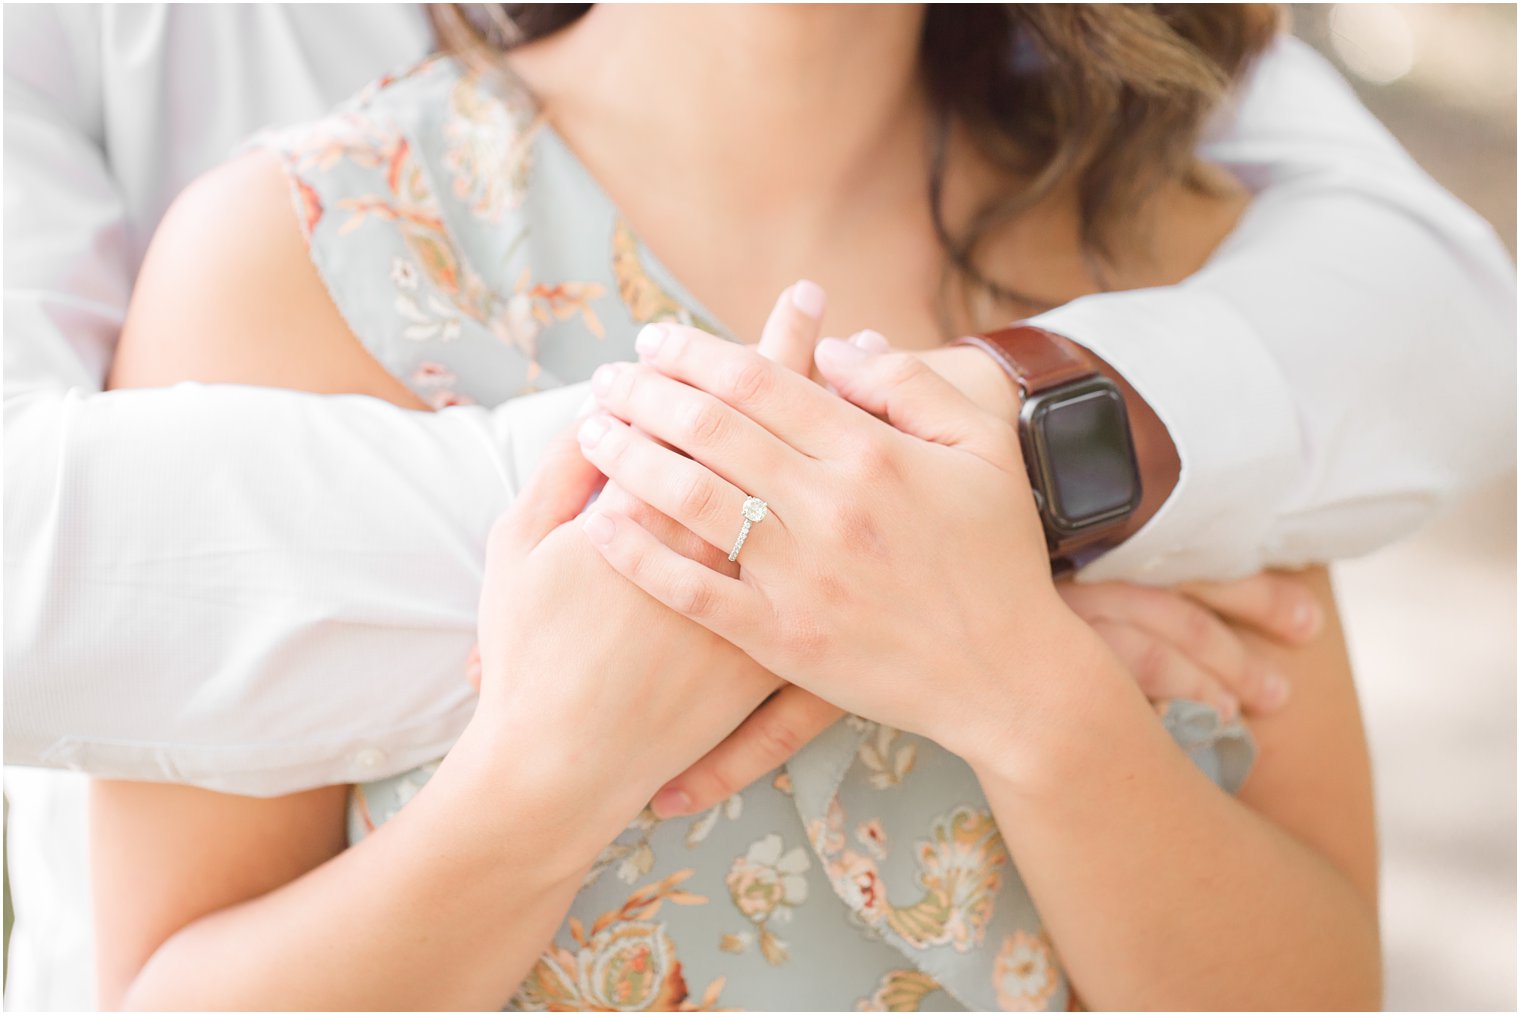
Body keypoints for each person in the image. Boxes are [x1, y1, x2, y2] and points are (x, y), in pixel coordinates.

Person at [2, 1, 1511, 1007]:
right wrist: (547, 774)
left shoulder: (1167, 261)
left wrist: (1028, 695)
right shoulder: (303, 259)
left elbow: (1320, 984)